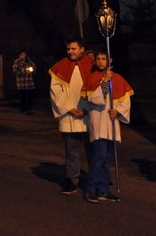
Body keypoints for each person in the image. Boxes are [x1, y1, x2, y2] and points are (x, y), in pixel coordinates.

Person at [83, 52, 133, 203]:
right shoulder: (92, 78)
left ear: (110, 60)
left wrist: (117, 111)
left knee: (106, 159)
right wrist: (104, 80)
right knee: (98, 157)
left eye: (103, 59)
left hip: (111, 123)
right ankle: (90, 189)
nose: (100, 61)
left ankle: (103, 190)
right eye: (98, 59)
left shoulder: (117, 79)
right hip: (98, 122)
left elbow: (125, 101)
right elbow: (95, 99)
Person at [49, 36, 93, 195]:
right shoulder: (60, 67)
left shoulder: (92, 66)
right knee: (72, 152)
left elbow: (97, 90)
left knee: (93, 152)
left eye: (73, 48)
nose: (70, 52)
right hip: (69, 116)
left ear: (82, 49)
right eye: (68, 49)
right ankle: (72, 180)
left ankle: (95, 180)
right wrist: (69, 108)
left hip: (89, 116)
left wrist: (88, 108)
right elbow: (56, 92)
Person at [13, 50, 37, 114]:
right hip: (22, 83)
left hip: (29, 82)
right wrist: (25, 70)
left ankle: (29, 108)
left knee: (30, 96)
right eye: (22, 54)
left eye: (25, 54)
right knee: (23, 96)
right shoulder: (17, 61)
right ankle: (23, 109)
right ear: (19, 55)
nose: (24, 56)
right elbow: (15, 70)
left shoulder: (29, 60)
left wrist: (32, 69)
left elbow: (34, 66)